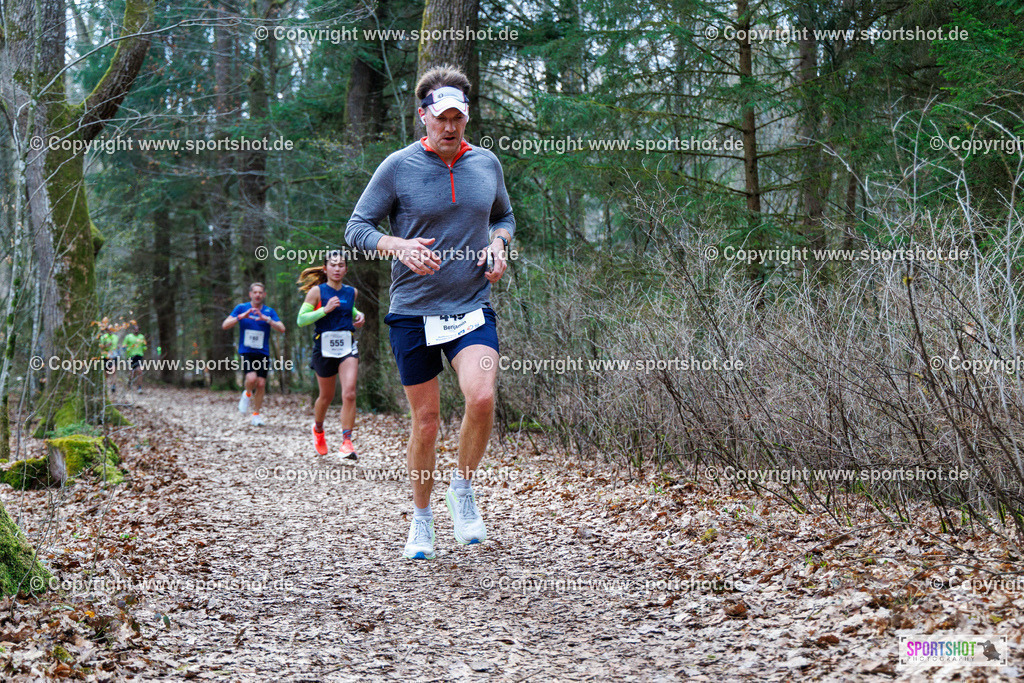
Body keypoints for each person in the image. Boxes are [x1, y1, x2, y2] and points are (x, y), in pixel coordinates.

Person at [345, 64, 515, 560]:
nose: (450, 127)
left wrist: (499, 244)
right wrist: (396, 244)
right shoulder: (397, 167)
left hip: (470, 306)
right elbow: (357, 227)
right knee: (426, 421)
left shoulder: (486, 164)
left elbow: (503, 215)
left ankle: (461, 489)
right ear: (423, 116)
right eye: (441, 117)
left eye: (458, 117)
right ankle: (421, 520)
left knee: (481, 399)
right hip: (414, 312)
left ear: (466, 118)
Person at [296, 252, 366, 459]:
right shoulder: (317, 292)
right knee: (326, 397)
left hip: (346, 346)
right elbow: (301, 319)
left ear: (346, 269)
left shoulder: (351, 292)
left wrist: (358, 315)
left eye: (341, 265)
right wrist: (323, 310)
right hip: (324, 348)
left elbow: (349, 308)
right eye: (333, 265)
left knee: (350, 393)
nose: (337, 269)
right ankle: (318, 429)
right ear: (325, 269)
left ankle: (347, 442)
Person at [222, 283, 285, 426]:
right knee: (251, 378)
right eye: (255, 292)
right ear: (250, 294)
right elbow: (225, 325)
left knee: (261, 384)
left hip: (263, 352)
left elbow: (282, 328)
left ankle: (256, 415)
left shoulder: (269, 311)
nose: (258, 295)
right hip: (247, 351)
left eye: (260, 292)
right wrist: (241, 317)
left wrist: (266, 319)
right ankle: (247, 394)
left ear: (264, 295)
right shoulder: (241, 308)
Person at [122, 323, 147, 393]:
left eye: (137, 329)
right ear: (132, 330)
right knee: (132, 372)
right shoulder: (128, 337)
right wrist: (126, 349)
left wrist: (143, 348)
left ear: (139, 330)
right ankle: (129, 383)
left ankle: (139, 387)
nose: (136, 330)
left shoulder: (141, 337)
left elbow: (144, 346)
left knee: (140, 371)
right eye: (135, 329)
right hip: (131, 356)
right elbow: (123, 346)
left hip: (139, 356)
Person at [98, 321, 120, 393]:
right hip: (106, 356)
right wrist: (106, 346)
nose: (110, 330)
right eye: (109, 329)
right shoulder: (103, 337)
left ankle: (113, 385)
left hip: (114, 355)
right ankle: (105, 386)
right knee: (107, 372)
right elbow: (101, 347)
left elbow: (117, 346)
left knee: (114, 371)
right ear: (107, 329)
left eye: (111, 329)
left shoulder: (116, 337)